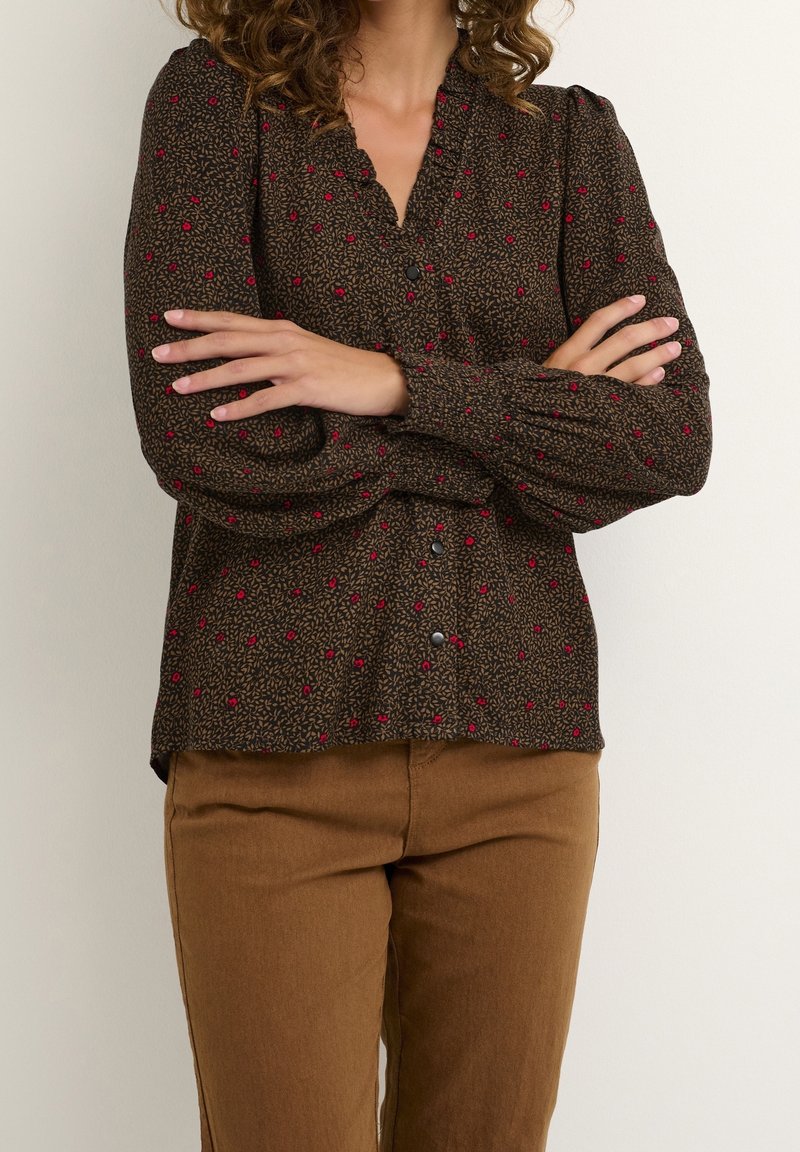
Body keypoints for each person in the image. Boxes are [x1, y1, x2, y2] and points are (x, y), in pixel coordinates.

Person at [122, 1, 712, 1148]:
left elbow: (667, 440)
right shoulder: (211, 110)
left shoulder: (569, 142)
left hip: (519, 762)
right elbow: (204, 440)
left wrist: (385, 382)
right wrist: (530, 410)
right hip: (269, 757)